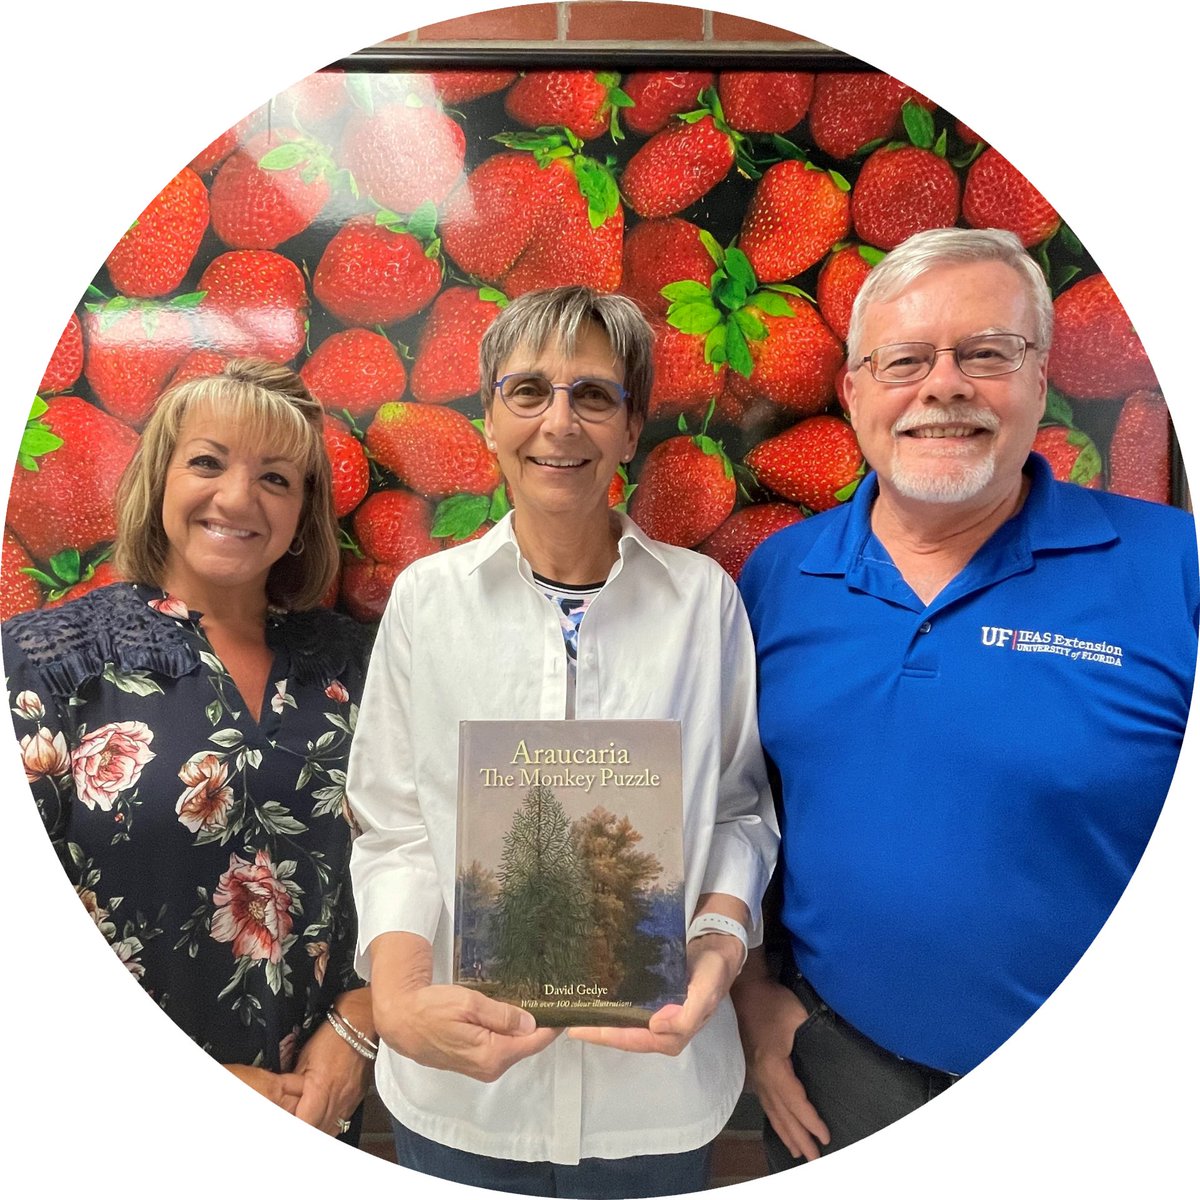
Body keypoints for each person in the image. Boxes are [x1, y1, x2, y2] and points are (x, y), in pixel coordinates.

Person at [733, 226, 1199, 1167]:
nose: (943, 385)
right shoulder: (779, 574)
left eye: (985, 353)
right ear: (854, 392)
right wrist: (751, 999)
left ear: (1039, 378)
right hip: (843, 1079)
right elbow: (733, 804)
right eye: (905, 359)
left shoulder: (1173, 569)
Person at [347, 286, 777, 1197]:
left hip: (657, 1099)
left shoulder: (704, 602)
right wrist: (395, 998)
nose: (560, 422)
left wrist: (717, 942)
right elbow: (391, 821)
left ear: (630, 430)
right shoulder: (427, 601)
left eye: (594, 394)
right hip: (463, 1103)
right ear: (490, 423)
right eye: (528, 391)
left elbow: (739, 811)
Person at [3, 359, 376, 1139]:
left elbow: (423, 868)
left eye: (276, 478)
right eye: (207, 462)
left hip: (321, 1117)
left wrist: (354, 1032)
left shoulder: (362, 665)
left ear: (304, 511)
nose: (237, 498)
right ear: (159, 479)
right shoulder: (43, 662)